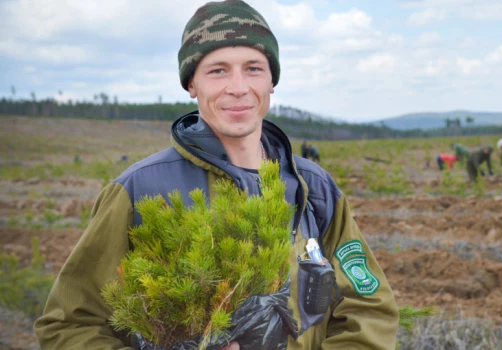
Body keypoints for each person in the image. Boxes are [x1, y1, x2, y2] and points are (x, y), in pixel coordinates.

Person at [34, 1, 399, 349]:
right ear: (192, 84)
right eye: (218, 69)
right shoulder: (140, 190)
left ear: (272, 80)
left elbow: (368, 309)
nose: (238, 87)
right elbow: (70, 325)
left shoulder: (314, 189)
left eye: (253, 67)